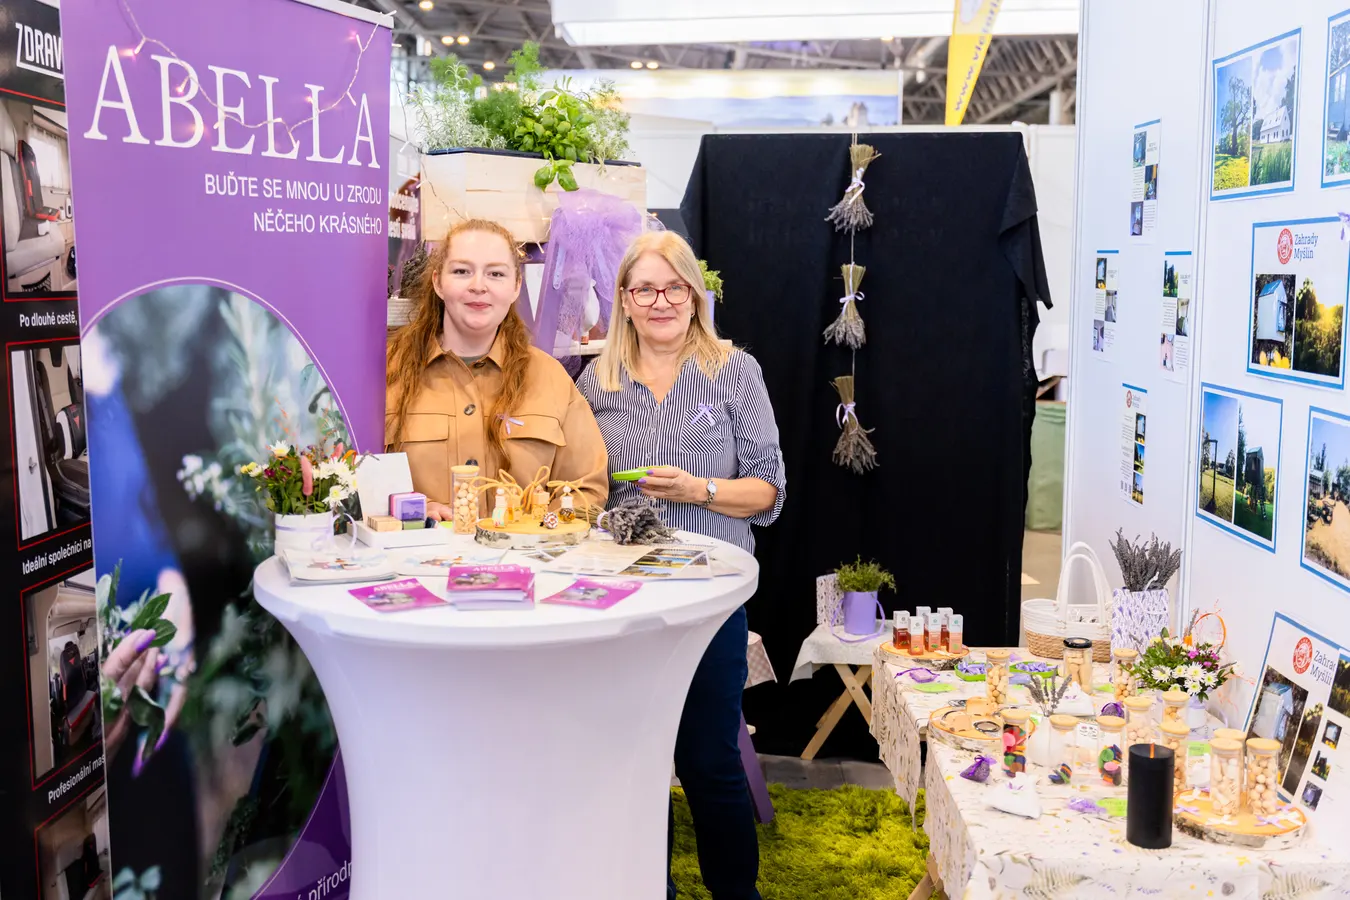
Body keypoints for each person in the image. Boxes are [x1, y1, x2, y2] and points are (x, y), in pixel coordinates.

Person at [577, 230, 785, 900]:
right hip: (626, 602)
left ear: (695, 295)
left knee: (708, 759)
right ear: (624, 300)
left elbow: (769, 491)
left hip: (710, 600)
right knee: (636, 763)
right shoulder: (595, 382)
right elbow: (583, 489)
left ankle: (736, 894)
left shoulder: (735, 371)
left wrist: (701, 489)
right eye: (645, 288)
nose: (660, 300)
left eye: (674, 287)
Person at [386, 219, 609, 516]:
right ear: (438, 283)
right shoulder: (386, 373)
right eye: (462, 271)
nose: (478, 286)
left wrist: (534, 531)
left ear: (516, 286)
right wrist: (412, 510)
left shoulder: (550, 378)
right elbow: (352, 477)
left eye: (496, 274)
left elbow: (586, 489)